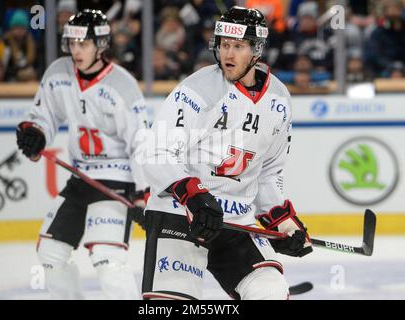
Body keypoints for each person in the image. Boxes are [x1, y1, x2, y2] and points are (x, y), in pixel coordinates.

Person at [141, 6, 312, 300]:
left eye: (238, 46)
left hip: (236, 220)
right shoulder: (196, 90)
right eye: (224, 45)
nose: (228, 55)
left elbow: (268, 173)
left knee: (269, 291)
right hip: (180, 212)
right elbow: (157, 153)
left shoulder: (279, 100)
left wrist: (282, 222)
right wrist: (192, 194)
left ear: (256, 50)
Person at [16, 9, 149, 299]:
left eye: (84, 44)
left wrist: (143, 192)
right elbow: (44, 114)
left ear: (101, 45)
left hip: (116, 180)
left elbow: (140, 142)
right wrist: (35, 131)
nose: (76, 50)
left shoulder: (122, 85)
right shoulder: (59, 73)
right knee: (50, 253)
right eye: (72, 43)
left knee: (107, 257)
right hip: (80, 178)